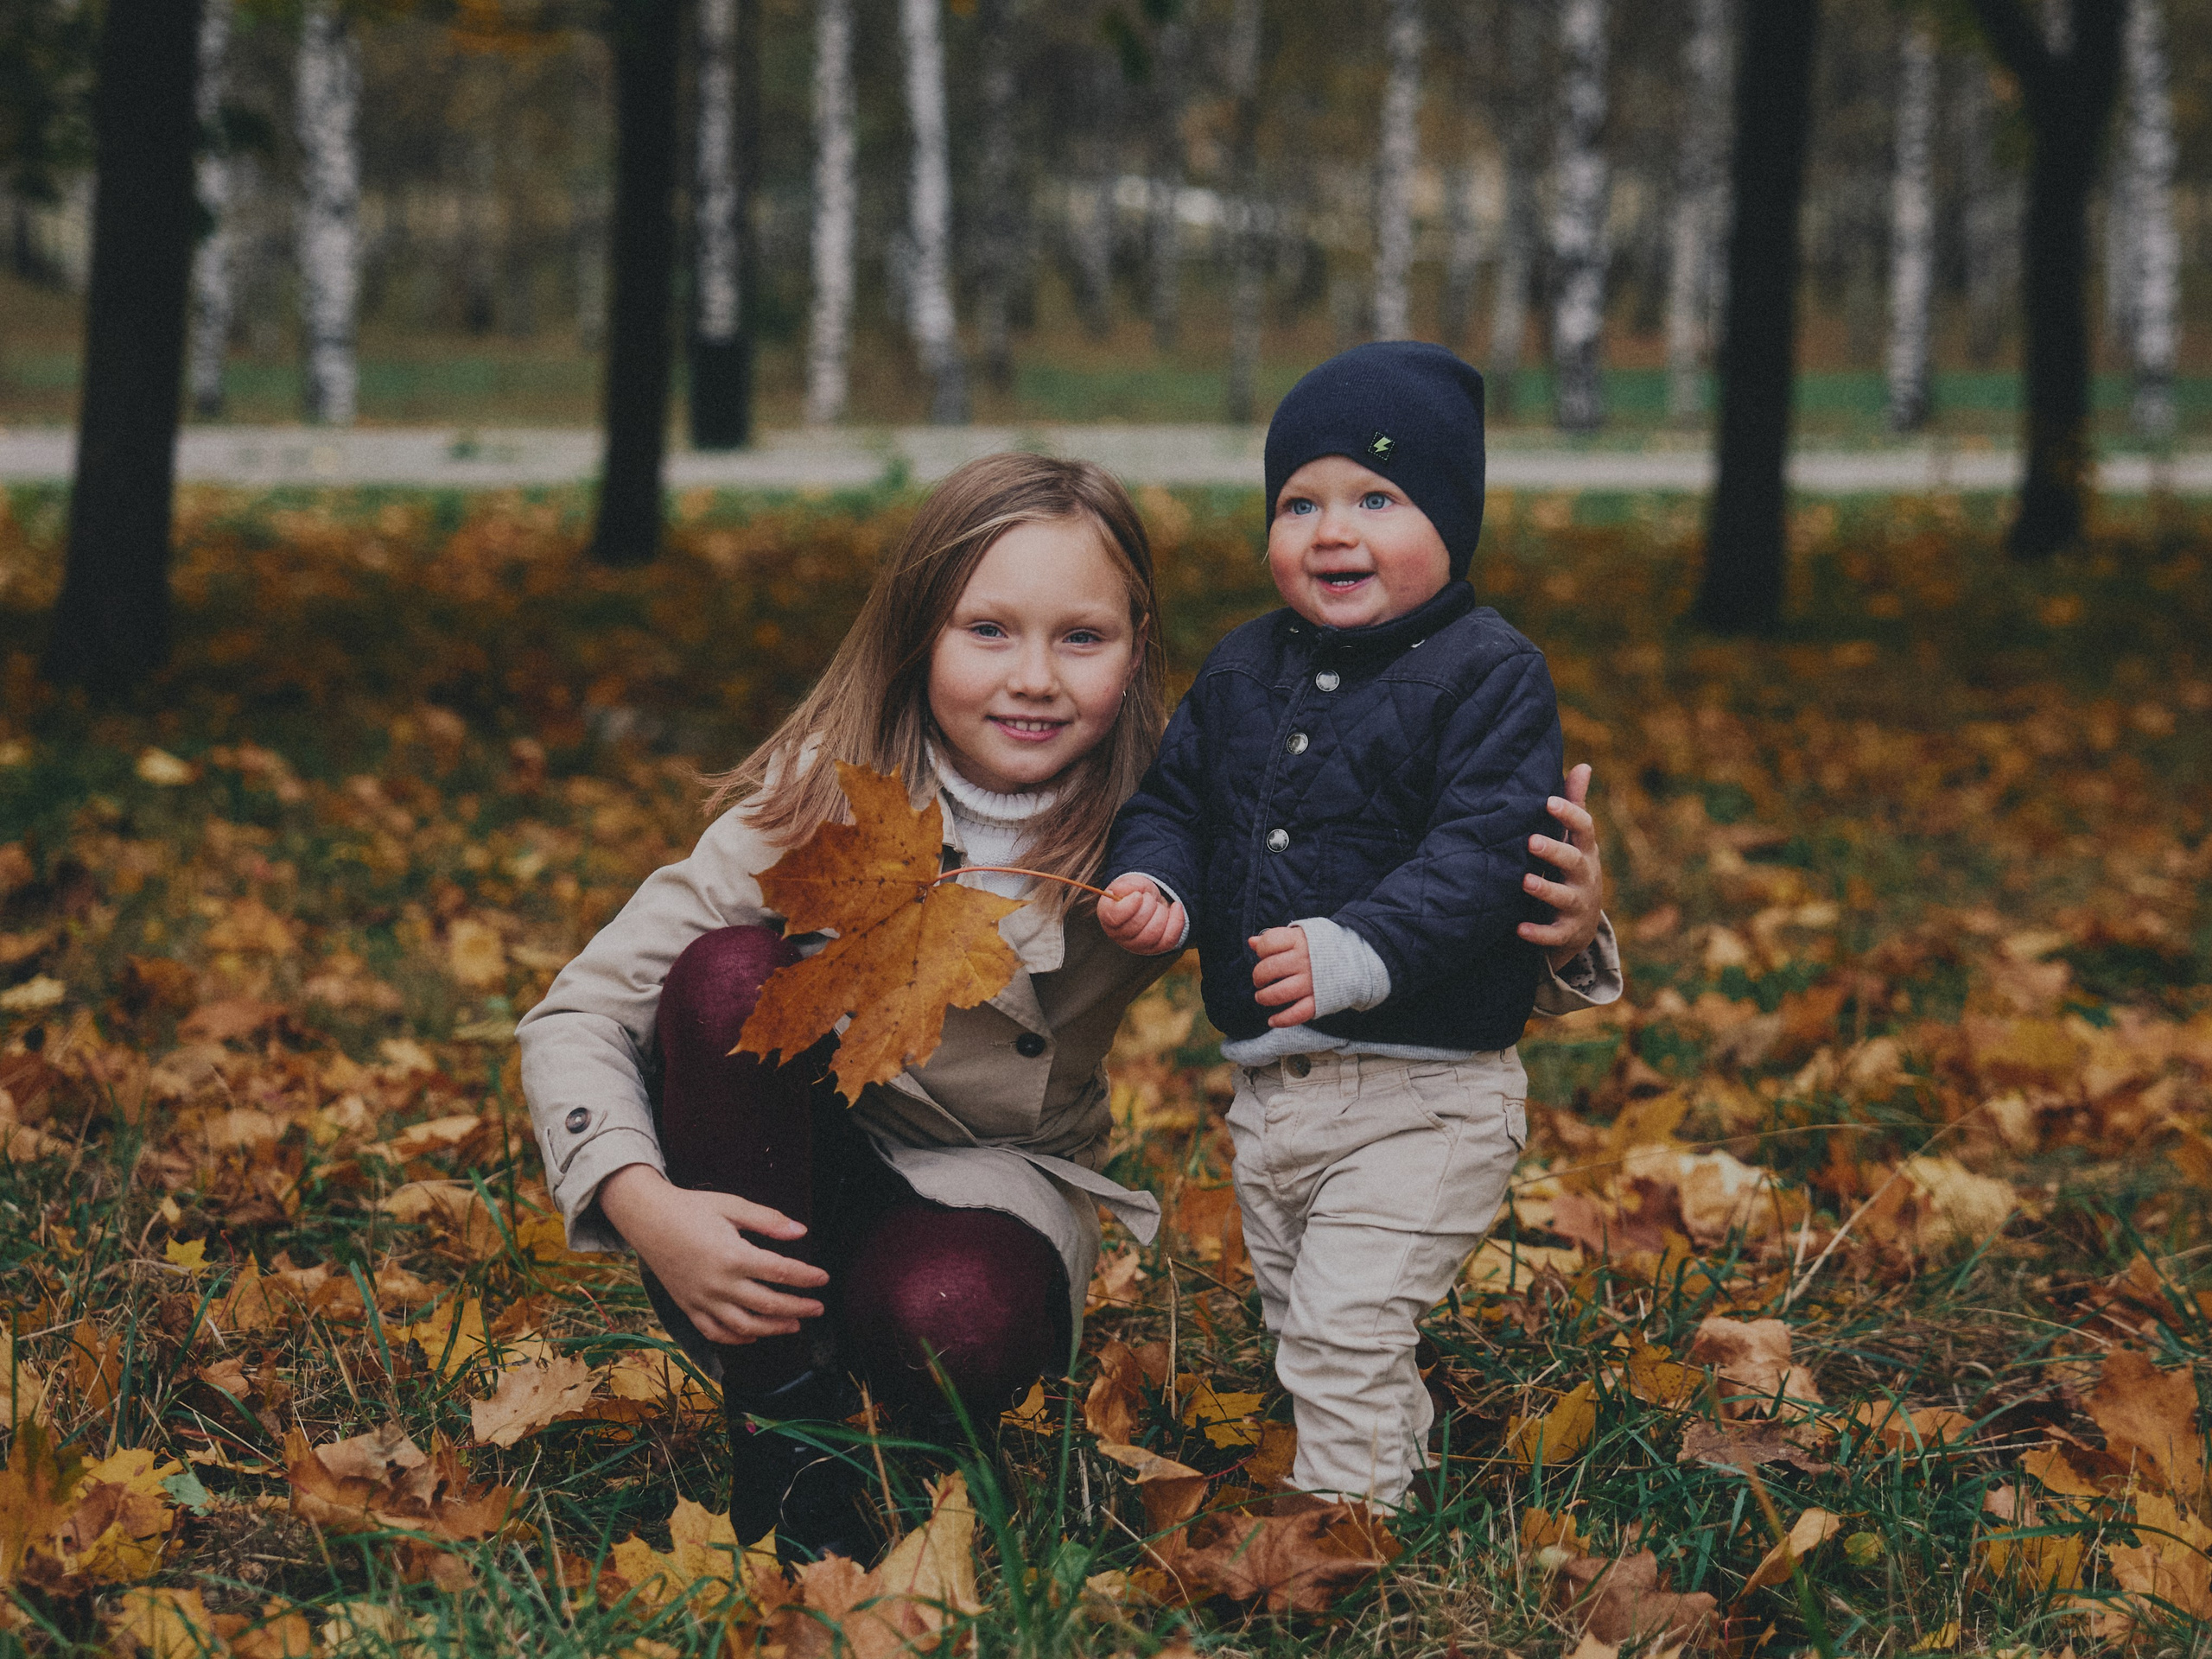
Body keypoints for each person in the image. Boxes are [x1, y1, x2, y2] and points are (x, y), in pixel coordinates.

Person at [518, 450, 1608, 1560]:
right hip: (760, 1162)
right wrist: (644, 1201)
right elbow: (580, 1014)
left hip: (988, 1176)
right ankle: (783, 1442)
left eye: (1080, 638)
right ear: (917, 640)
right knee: (723, 977)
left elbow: (1362, 910)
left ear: (1137, 653)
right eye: (986, 630)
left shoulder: (1162, 823)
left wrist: (1558, 933)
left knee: (957, 1321)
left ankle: (887, 1366)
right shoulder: (823, 801)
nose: (1033, 678)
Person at [1098, 341, 1623, 1511]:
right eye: (1300, 503)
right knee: (1307, 1324)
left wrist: (1358, 949)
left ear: (1452, 521)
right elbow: (1177, 801)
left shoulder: (1491, 675)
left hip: (1426, 1092)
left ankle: (1345, 1539)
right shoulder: (1242, 669)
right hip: (1275, 1098)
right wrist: (1159, 886)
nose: (1332, 531)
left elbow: (1485, 851)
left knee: (1343, 1322)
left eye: (1377, 499)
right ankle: (1400, 1462)